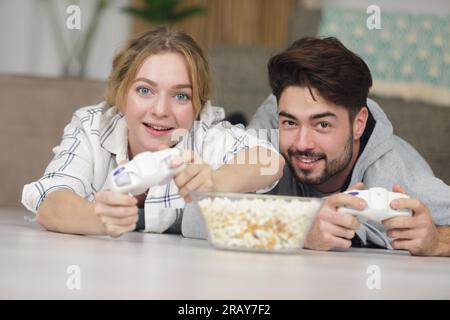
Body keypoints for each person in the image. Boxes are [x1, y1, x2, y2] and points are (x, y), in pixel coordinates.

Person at [22, 27, 283, 238]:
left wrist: (216, 182)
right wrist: (102, 219)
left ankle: (236, 118)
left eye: (180, 96)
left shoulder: (203, 134)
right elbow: (51, 203)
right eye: (145, 90)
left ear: (198, 107)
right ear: (122, 94)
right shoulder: (92, 126)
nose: (160, 110)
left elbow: (270, 161)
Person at [248, 36, 450, 256]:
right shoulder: (270, 124)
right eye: (290, 123)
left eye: (323, 125)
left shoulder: (398, 178)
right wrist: (295, 228)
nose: (302, 144)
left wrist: (438, 240)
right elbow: (208, 208)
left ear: (358, 124)